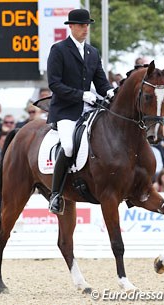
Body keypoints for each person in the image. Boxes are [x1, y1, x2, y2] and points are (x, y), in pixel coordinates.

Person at [46, 9, 114, 215]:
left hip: (89, 108)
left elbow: (101, 82)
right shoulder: (58, 50)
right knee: (67, 146)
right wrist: (81, 95)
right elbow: (54, 84)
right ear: (72, 26)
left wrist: (111, 92)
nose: (86, 29)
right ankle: (55, 195)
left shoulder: (92, 52)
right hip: (66, 110)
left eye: (87, 26)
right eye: (82, 25)